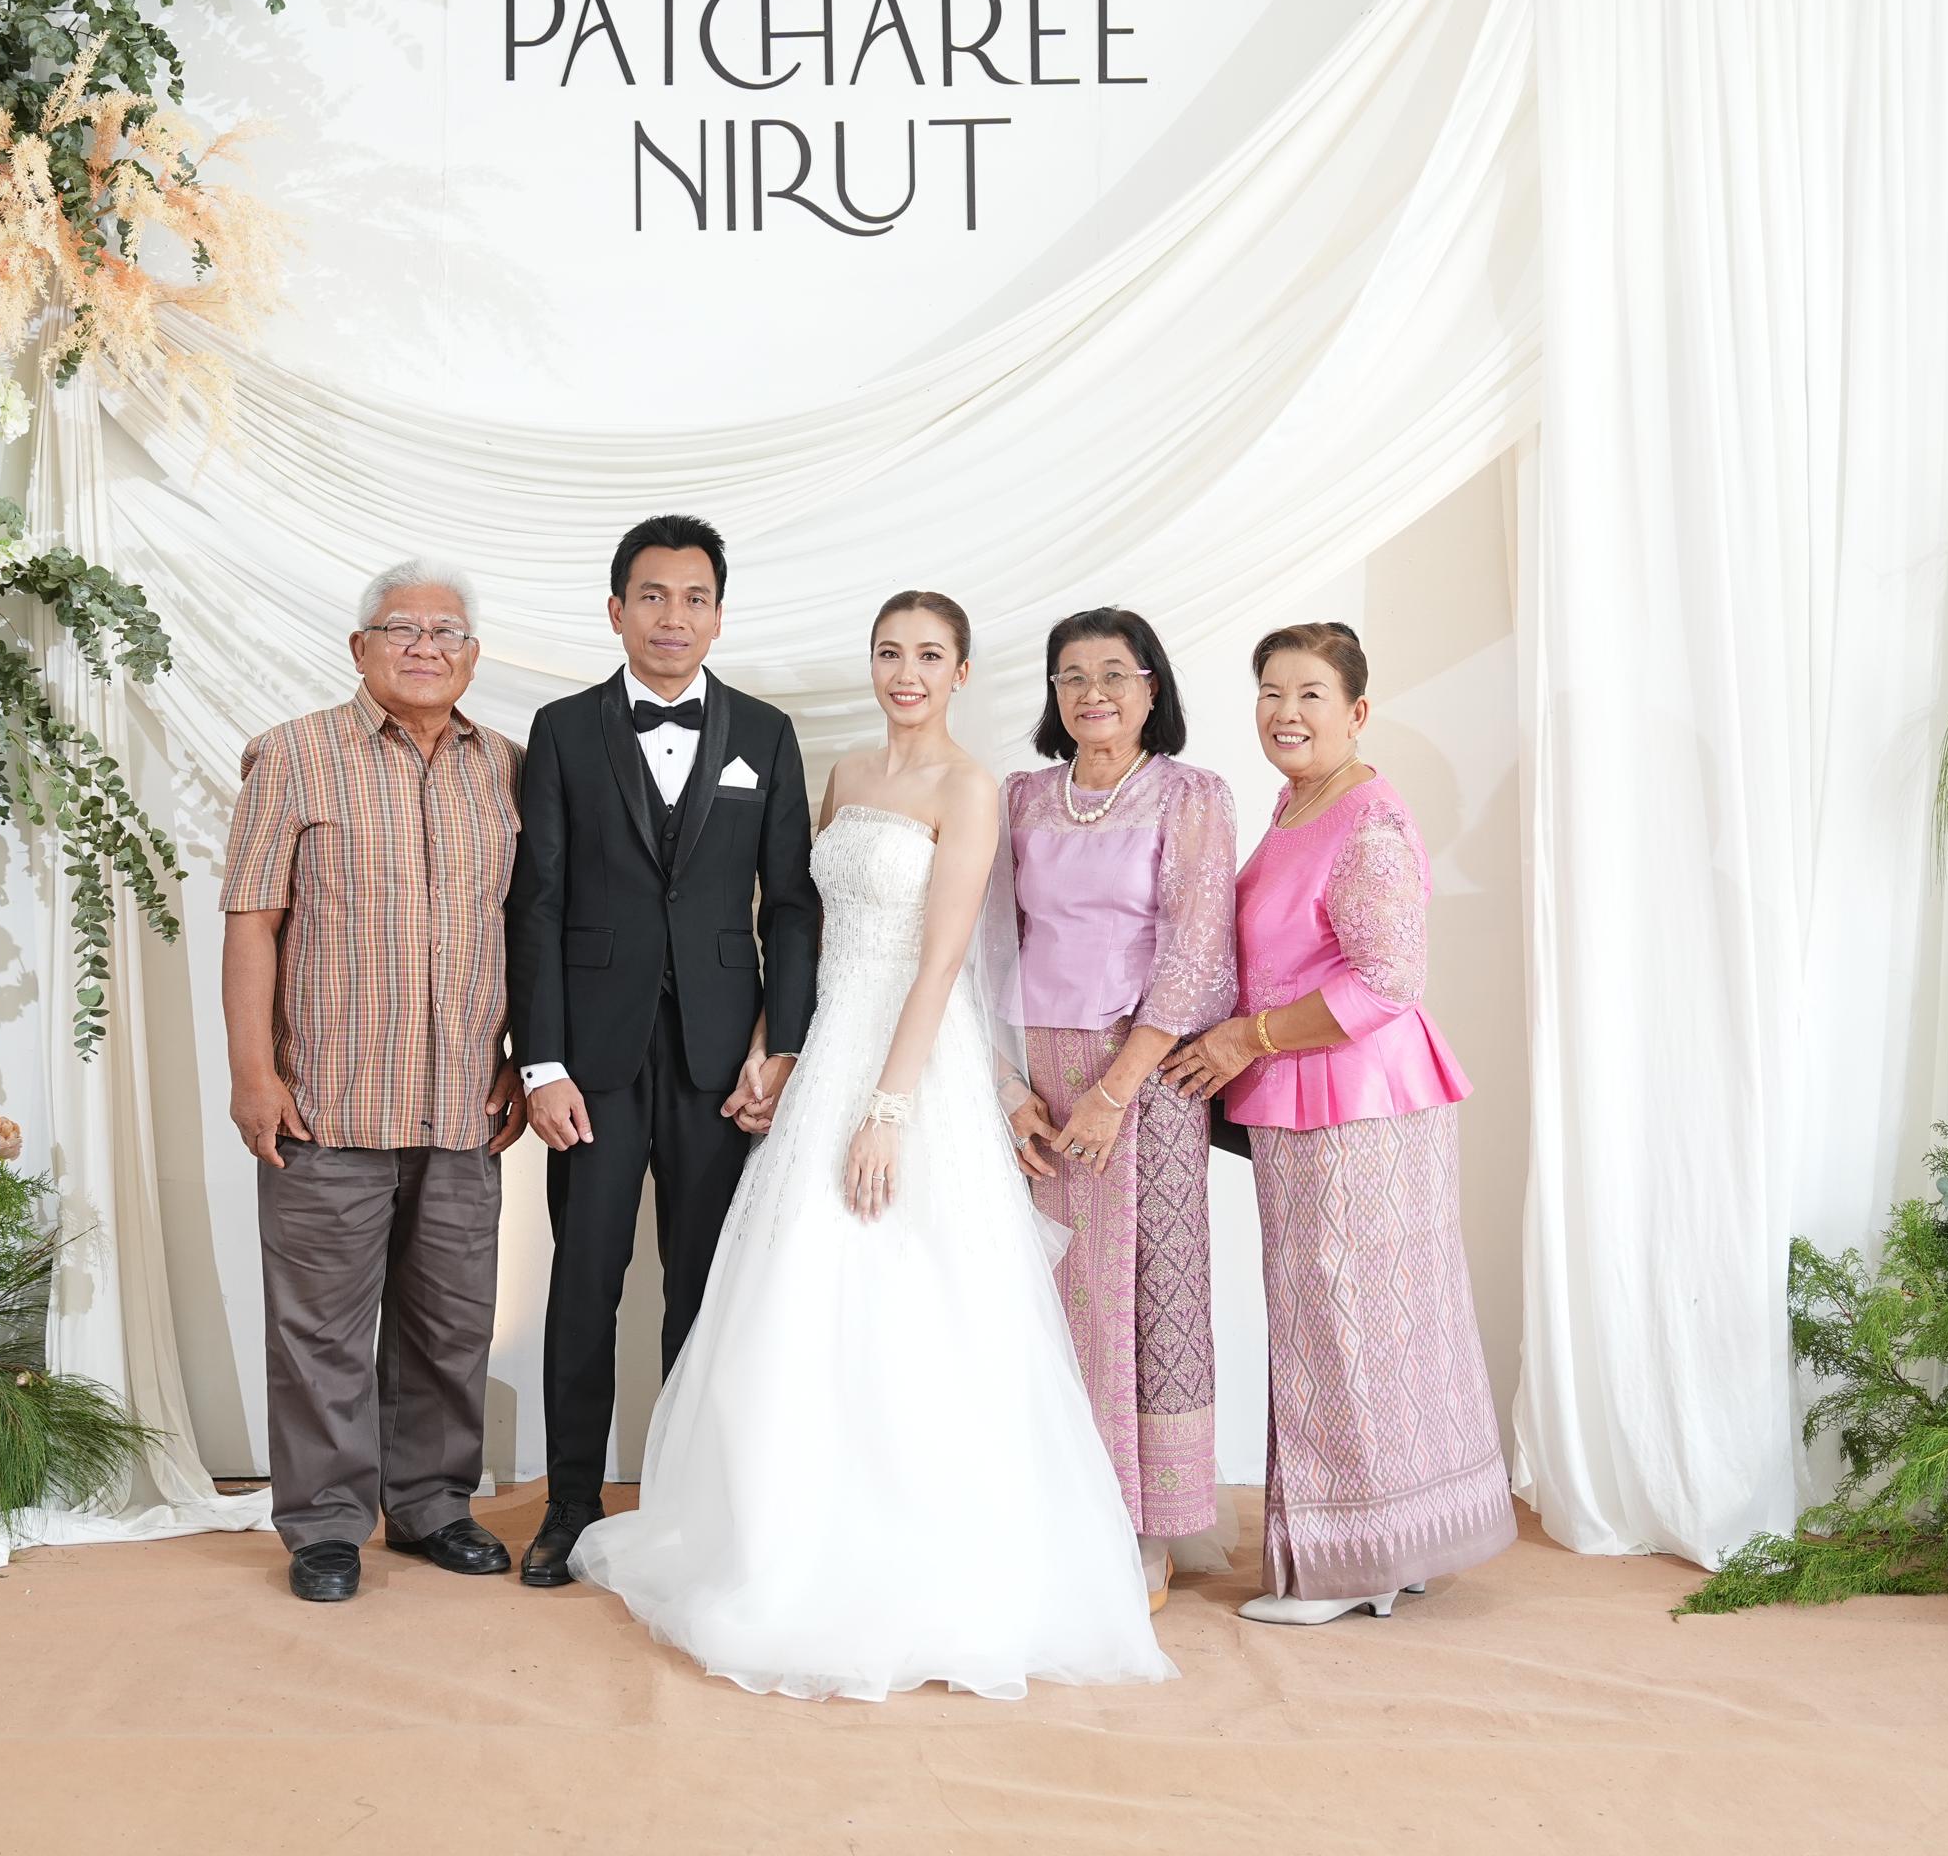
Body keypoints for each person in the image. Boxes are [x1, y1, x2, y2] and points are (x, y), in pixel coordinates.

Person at [571, 593, 1173, 1699]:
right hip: (830, 1043)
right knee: (794, 1286)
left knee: (908, 1280)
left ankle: (916, 1549)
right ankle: (782, 1538)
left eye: (930, 655)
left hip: (912, 1056)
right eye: (890, 652)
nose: (907, 672)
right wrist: (776, 1045)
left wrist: (890, 1110)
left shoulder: (969, 787)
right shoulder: (846, 773)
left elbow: (941, 961)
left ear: (961, 672)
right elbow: (801, 926)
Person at [1161, 622, 1513, 1626]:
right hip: (1326, 1097)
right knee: (1365, 1317)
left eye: (1310, 694)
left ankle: (1348, 1563)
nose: (1286, 712)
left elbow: (1390, 981)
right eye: (1271, 691)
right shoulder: (1298, 801)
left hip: (1353, 1102)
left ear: (1356, 711)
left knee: (1343, 1318)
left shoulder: (1367, 821)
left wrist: (1248, 1036)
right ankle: (1394, 1544)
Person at [506, 515, 820, 1588]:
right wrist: (541, 1062)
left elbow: (792, 906)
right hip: (591, 1061)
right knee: (583, 1284)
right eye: (652, 595)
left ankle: (688, 1508)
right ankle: (570, 1505)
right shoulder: (561, 730)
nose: (672, 616)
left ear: (719, 616)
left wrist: (783, 1047)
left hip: (723, 1061)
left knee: (704, 1290)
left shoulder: (767, 734)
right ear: (616, 610)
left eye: (694, 598)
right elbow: (536, 905)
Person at [219, 561, 530, 1604]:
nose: (426, 647)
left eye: (448, 631)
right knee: (320, 1331)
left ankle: (435, 1505)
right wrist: (253, 1073)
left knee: (452, 1324)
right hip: (326, 1098)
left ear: (474, 655)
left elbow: (531, 927)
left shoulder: (509, 768)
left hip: (464, 1101)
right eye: (403, 628)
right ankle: (324, 1525)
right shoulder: (293, 754)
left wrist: (526, 1058)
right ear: (361, 647)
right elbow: (253, 920)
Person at [999, 606, 1237, 1609]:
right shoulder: (1020, 797)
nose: (1092, 692)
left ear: (1151, 687)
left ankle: (1147, 1527)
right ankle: (1056, 1507)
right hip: (1035, 1073)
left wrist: (1112, 1091)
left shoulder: (1191, 794)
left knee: (1151, 1287)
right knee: (1047, 1288)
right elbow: (984, 945)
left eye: (1113, 673)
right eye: (1072, 675)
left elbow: (1196, 947)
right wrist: (1006, 1086)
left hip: (1147, 1071)